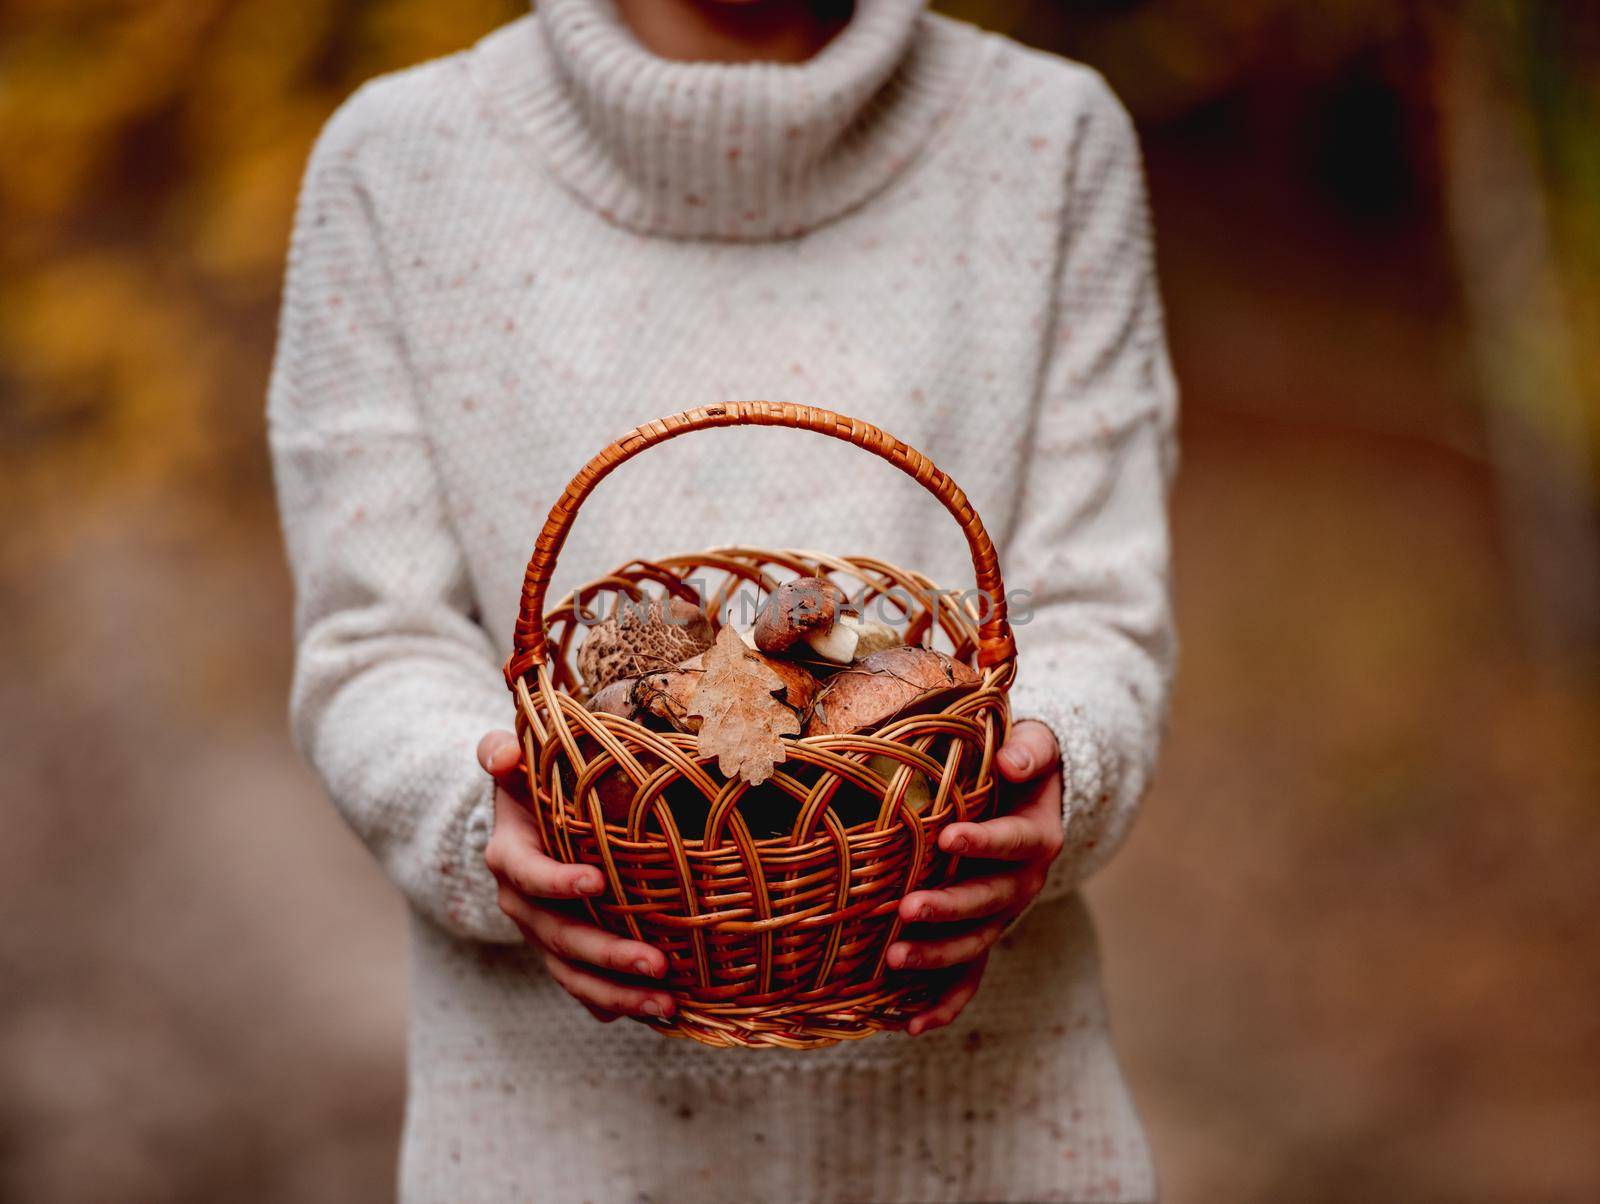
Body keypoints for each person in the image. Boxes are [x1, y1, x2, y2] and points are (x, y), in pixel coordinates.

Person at [267, 0, 1176, 1199]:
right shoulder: (397, 161)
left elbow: (1095, 610)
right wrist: (485, 810)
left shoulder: (1049, 138)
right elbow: (371, 640)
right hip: (557, 1142)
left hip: (982, 1134)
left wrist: (1054, 767)